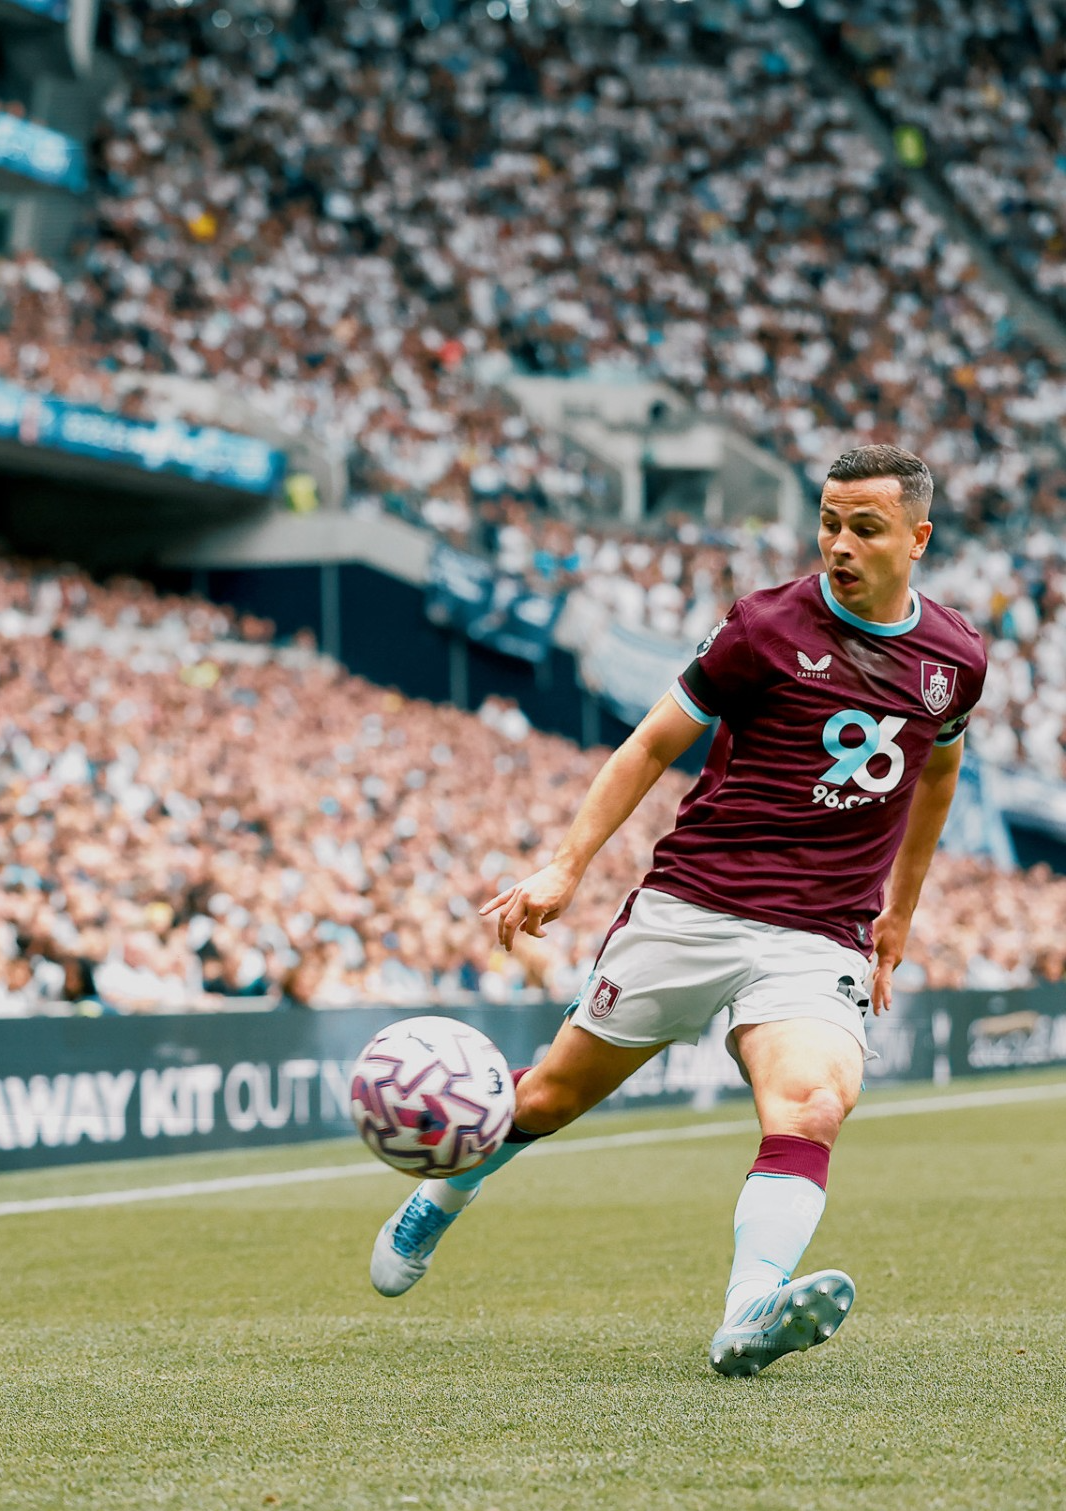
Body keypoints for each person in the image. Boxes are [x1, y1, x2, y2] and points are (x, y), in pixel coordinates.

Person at [368, 447, 987, 1378]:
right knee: (547, 1098)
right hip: (695, 903)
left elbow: (939, 772)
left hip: (821, 931)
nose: (840, 544)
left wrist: (901, 911)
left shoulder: (956, 657)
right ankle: (443, 1195)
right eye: (829, 522)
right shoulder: (763, 626)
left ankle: (749, 1309)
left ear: (918, 537)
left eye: (865, 527)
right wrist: (565, 866)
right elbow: (651, 743)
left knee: (814, 1102)